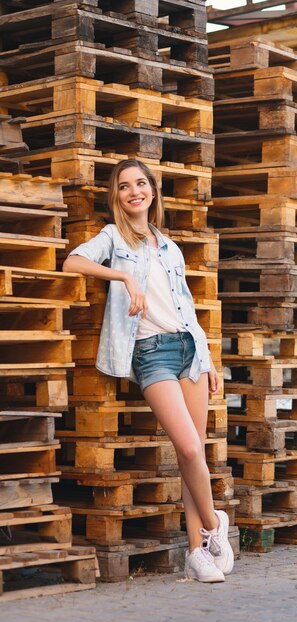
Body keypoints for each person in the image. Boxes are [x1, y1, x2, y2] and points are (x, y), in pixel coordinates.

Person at [63, 158, 234, 583]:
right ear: (117, 196)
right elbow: (72, 263)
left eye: (141, 183)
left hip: (188, 350)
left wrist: (209, 359)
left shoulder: (169, 246)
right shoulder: (112, 238)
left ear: (152, 191)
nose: (134, 191)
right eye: (125, 186)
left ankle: (197, 554)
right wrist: (122, 276)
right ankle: (215, 525)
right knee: (192, 449)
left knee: (189, 454)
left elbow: (187, 309)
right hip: (150, 353)